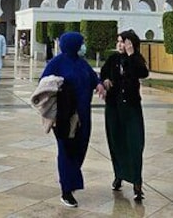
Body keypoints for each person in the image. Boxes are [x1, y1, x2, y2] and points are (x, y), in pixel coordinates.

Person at [40, 32, 105, 208]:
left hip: (83, 115)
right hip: (65, 117)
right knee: (66, 150)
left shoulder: (82, 63)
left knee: (80, 148)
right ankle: (66, 190)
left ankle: (71, 179)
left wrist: (98, 84)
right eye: (81, 42)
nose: (83, 46)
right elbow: (43, 84)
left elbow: (93, 78)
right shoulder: (57, 63)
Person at [100, 29, 149, 202]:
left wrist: (131, 55)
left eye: (124, 42)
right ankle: (118, 174)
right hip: (114, 107)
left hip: (131, 108)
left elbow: (142, 72)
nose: (120, 45)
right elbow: (103, 73)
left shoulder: (136, 60)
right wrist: (104, 80)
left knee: (135, 144)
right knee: (116, 142)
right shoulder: (113, 59)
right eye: (119, 41)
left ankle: (137, 182)